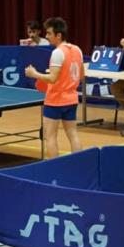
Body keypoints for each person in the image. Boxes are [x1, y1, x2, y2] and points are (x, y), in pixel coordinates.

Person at [24, 17, 83, 158]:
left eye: (49, 33)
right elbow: (81, 76)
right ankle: (80, 164)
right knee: (73, 134)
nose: (46, 36)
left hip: (55, 100)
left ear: (59, 35)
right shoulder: (77, 49)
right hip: (72, 99)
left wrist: (34, 74)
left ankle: (54, 168)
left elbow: (52, 78)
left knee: (50, 136)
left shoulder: (57, 53)